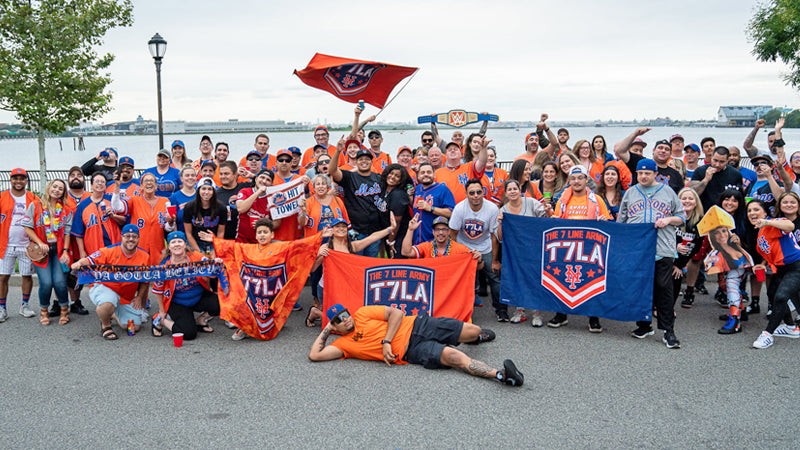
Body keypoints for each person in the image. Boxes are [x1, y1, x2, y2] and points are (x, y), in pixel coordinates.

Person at [308, 303, 524, 387]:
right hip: (412, 351)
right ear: (335, 327)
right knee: (454, 358)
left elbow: (397, 313)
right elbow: (315, 356)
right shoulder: (344, 344)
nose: (345, 319)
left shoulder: (362, 312)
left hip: (418, 325)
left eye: (345, 313)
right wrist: (327, 330)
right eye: (338, 319)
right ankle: (502, 375)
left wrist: (386, 342)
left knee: (474, 330)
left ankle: (475, 338)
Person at [618, 159, 686, 349]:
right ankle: (644, 325)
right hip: (638, 250)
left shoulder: (667, 192)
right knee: (640, 288)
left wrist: (668, 219)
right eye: (640, 173)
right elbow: (621, 221)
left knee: (663, 288)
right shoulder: (631, 193)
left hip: (662, 248)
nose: (644, 176)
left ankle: (668, 331)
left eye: (648, 173)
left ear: (656, 174)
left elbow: (681, 217)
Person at [548, 166, 610, 332]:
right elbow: (557, 222)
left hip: (589, 248)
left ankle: (593, 318)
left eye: (580, 178)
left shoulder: (597, 199)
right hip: (567, 247)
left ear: (586, 179)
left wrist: (604, 220)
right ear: (569, 181)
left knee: (591, 281)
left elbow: (608, 223)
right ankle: (561, 315)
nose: (576, 181)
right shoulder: (562, 200)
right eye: (573, 178)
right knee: (562, 279)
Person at [70, 224, 150, 340]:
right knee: (107, 303)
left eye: (134, 236)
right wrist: (79, 264)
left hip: (126, 295)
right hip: (106, 287)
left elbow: (145, 281)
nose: (131, 239)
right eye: (127, 236)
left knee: (134, 326)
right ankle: (106, 326)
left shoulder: (144, 256)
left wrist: (139, 297)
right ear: (121, 237)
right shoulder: (109, 251)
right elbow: (89, 260)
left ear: (138, 238)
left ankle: (112, 314)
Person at [311, 216, 395, 312]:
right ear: (332, 230)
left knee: (347, 318)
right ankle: (316, 312)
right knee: (335, 320)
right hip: (327, 289)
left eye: (343, 226)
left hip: (345, 289)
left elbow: (371, 238)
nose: (341, 229)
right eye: (337, 226)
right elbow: (312, 269)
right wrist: (318, 255)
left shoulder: (352, 246)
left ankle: (317, 313)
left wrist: (390, 229)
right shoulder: (326, 247)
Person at [496, 179, 551, 325]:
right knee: (518, 280)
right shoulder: (503, 210)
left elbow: (546, 220)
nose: (513, 191)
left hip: (534, 249)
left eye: (515, 188)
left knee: (534, 280)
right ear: (506, 193)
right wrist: (501, 222)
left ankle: (537, 313)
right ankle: (520, 311)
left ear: (520, 190)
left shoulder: (531, 202)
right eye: (510, 189)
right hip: (515, 252)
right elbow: (500, 238)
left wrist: (548, 211)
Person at [449, 179, 505, 321]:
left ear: (483, 192)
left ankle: (501, 310)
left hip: (485, 246)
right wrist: (454, 257)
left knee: (494, 276)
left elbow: (494, 237)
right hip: (464, 247)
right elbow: (453, 234)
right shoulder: (460, 208)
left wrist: (495, 260)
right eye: (472, 192)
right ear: (466, 194)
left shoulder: (492, 208)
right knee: (464, 280)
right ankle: (463, 312)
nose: (475, 195)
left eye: (479, 192)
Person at [748, 200, 800, 348]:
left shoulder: (774, 221)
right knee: (772, 294)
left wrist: (767, 222)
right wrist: (762, 265)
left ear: (765, 212)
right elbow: (770, 250)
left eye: (756, 209)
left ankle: (767, 334)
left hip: (796, 265)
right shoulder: (759, 233)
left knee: (781, 297)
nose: (752, 213)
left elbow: (790, 226)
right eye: (749, 210)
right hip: (781, 269)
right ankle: (791, 327)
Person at [20, 179, 72, 325]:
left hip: (59, 250)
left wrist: (66, 252)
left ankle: (64, 309)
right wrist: (40, 242)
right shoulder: (35, 206)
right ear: (49, 187)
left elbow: (67, 233)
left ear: (63, 193)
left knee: (60, 282)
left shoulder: (66, 210)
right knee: (46, 283)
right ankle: (44, 310)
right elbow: (27, 227)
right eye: (54, 186)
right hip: (41, 251)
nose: (57, 190)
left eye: (60, 188)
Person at [151, 231, 220, 341]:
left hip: (198, 298)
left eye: (180, 241)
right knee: (188, 334)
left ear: (185, 244)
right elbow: (158, 291)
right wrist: (162, 311)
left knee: (220, 303)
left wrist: (215, 264)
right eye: (173, 242)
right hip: (178, 303)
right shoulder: (164, 266)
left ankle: (200, 320)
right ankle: (161, 321)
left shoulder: (195, 256)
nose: (177, 244)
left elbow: (211, 273)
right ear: (169, 246)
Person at [299, 174, 350, 310]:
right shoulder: (309, 201)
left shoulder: (338, 201)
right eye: (317, 184)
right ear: (313, 187)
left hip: (336, 242)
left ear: (328, 186)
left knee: (336, 272)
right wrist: (303, 211)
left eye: (323, 183)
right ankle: (317, 299)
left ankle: (335, 298)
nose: (320, 186)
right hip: (316, 243)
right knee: (316, 272)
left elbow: (346, 222)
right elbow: (302, 223)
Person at [330, 138, 388, 258]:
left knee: (371, 264)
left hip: (375, 231)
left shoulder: (379, 178)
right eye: (361, 159)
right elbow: (332, 171)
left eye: (367, 159)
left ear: (371, 162)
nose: (364, 161)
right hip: (356, 231)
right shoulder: (349, 177)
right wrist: (337, 151)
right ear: (356, 162)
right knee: (355, 262)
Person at [111, 172, 174, 266]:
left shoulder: (165, 201)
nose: (149, 183)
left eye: (152, 181)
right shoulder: (134, 200)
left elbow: (168, 228)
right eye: (146, 181)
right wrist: (117, 187)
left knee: (157, 278)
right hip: (139, 248)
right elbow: (117, 207)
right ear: (141, 187)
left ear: (156, 186)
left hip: (158, 248)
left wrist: (171, 222)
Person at [0, 168, 37, 322]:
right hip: (5, 244)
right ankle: (2, 308)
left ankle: (24, 305)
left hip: (26, 245)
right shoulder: (2, 197)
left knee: (27, 275)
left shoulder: (33, 198)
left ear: (26, 181)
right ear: (11, 180)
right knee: (3, 276)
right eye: (16, 178)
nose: (19, 181)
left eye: (22, 178)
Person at [71, 173, 124, 260]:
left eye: (102, 182)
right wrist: (82, 251)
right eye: (97, 181)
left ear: (105, 186)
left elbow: (124, 220)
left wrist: (113, 216)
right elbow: (78, 232)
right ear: (91, 185)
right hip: (93, 249)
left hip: (114, 245)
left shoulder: (113, 200)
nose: (100, 183)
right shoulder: (83, 205)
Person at [615, 129, 683, 193]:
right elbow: (620, 151)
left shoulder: (676, 175)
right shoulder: (641, 163)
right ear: (653, 150)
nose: (663, 151)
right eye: (660, 148)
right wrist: (635, 134)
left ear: (670, 153)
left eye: (667, 149)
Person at [63, 166, 91, 316]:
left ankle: (75, 302)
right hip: (65, 240)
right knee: (62, 272)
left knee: (77, 272)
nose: (75, 177)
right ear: (68, 179)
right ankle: (59, 302)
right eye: (72, 175)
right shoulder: (62, 196)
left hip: (85, 239)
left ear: (83, 179)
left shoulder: (91, 196)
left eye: (79, 175)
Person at [673, 188, 706, 309]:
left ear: (696, 202)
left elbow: (695, 247)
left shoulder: (700, 221)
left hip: (683, 258)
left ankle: (669, 309)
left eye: (690, 198)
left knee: (676, 277)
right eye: (684, 198)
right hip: (667, 256)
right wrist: (675, 247)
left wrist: (679, 265)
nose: (687, 201)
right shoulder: (672, 217)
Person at [436, 138, 491, 204]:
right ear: (446, 155)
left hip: (467, 210)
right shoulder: (438, 173)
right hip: (446, 211)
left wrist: (483, 148)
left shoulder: (469, 167)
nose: (453, 151)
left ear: (461, 154)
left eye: (456, 149)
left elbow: (482, 162)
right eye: (450, 150)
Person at [272, 148, 311, 242]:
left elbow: (310, 199)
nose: (284, 162)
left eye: (287, 160)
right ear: (276, 162)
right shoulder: (270, 179)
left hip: (297, 231)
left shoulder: (300, 180)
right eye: (281, 160)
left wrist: (306, 187)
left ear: (291, 163)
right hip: (276, 233)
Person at [689, 147, 743, 211]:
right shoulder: (700, 171)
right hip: (704, 212)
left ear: (727, 160)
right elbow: (692, 194)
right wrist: (706, 179)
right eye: (715, 160)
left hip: (725, 212)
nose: (717, 165)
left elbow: (739, 198)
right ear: (711, 157)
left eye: (721, 162)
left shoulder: (735, 174)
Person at [412, 163, 455, 245]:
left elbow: (451, 213)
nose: (426, 175)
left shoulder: (443, 189)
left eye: (429, 172)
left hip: (434, 239)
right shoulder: (418, 188)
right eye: (422, 172)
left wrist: (431, 208)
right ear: (418, 175)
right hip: (417, 239)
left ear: (434, 174)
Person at [183, 177, 226, 256]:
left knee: (215, 261)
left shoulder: (221, 208)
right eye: (203, 189)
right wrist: (198, 252)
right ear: (198, 190)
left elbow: (221, 232)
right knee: (198, 261)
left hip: (213, 241)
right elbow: (188, 233)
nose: (206, 192)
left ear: (214, 191)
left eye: (210, 189)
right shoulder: (189, 207)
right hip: (195, 241)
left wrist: (217, 247)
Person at [235, 169, 275, 244]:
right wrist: (258, 192)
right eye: (262, 177)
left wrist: (263, 223)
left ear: (271, 184)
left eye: (268, 180)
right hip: (241, 241)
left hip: (261, 243)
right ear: (256, 179)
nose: (264, 181)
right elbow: (241, 209)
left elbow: (277, 223)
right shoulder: (245, 191)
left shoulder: (272, 199)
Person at [380, 164, 412, 258]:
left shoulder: (398, 195)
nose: (392, 177)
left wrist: (391, 242)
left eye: (397, 176)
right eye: (391, 173)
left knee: (397, 264)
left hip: (398, 236)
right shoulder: (385, 189)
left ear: (400, 180)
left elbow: (396, 223)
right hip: (389, 233)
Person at [216, 161, 249, 240]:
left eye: (226, 174)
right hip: (225, 240)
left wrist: (251, 175)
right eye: (221, 174)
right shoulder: (215, 194)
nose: (223, 176)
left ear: (235, 174)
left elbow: (264, 184)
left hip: (245, 240)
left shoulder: (246, 187)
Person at [168, 166, 198, 233]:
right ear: (181, 179)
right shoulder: (174, 197)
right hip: (183, 237)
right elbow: (173, 221)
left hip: (200, 237)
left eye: (193, 175)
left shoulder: (201, 194)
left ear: (196, 178)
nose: (190, 177)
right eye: (187, 175)